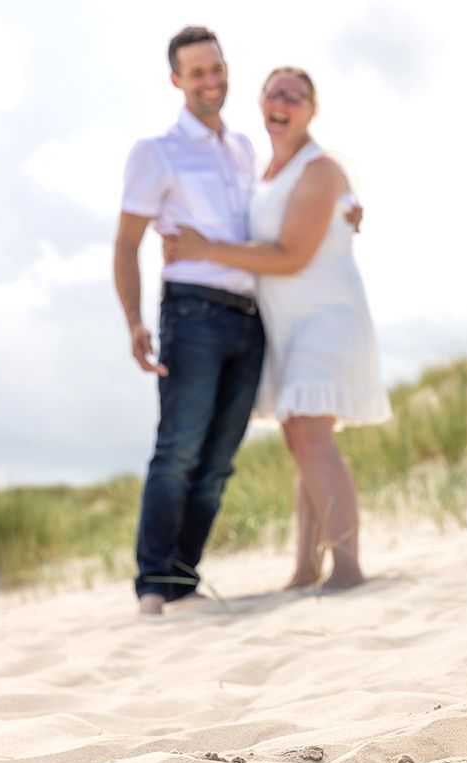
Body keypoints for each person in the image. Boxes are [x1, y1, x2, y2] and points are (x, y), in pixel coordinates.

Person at [164, 66, 391, 592]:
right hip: (285, 325)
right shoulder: (264, 170)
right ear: (262, 104)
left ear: (312, 111)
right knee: (300, 436)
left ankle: (349, 568)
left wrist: (203, 249)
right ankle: (306, 568)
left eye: (296, 95)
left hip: (327, 316)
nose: (282, 101)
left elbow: (290, 255)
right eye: (274, 92)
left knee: (310, 432)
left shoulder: (320, 168)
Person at [114, 26, 264, 616]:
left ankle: (182, 578)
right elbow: (126, 244)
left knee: (219, 460)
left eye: (217, 68)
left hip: (251, 319)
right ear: (176, 80)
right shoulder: (156, 152)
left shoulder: (245, 149)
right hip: (191, 312)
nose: (211, 80)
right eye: (197, 72)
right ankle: (153, 585)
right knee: (177, 451)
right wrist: (133, 321)